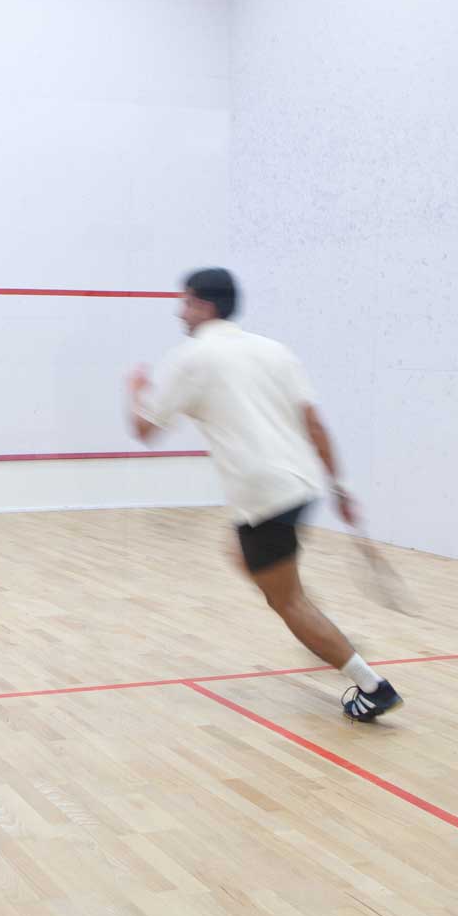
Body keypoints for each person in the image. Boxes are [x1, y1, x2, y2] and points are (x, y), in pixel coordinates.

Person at [125, 268, 403, 722]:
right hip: (300, 484)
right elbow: (314, 422)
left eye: (186, 302)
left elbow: (144, 429)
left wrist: (136, 391)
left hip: (263, 495)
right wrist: (341, 487)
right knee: (242, 555)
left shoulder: (190, 358)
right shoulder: (274, 351)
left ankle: (372, 687)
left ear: (205, 306)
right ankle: (320, 628)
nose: (180, 310)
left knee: (285, 600)